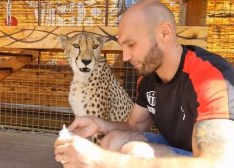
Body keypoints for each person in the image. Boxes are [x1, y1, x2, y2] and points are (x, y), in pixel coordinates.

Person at [54, 0, 234, 167]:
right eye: (123, 46)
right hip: (182, 152)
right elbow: (136, 125)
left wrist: (99, 158)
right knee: (113, 139)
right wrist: (99, 124)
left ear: (164, 33)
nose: (125, 57)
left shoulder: (212, 78)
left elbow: (218, 163)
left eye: (131, 44)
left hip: (210, 161)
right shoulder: (149, 76)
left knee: (135, 152)